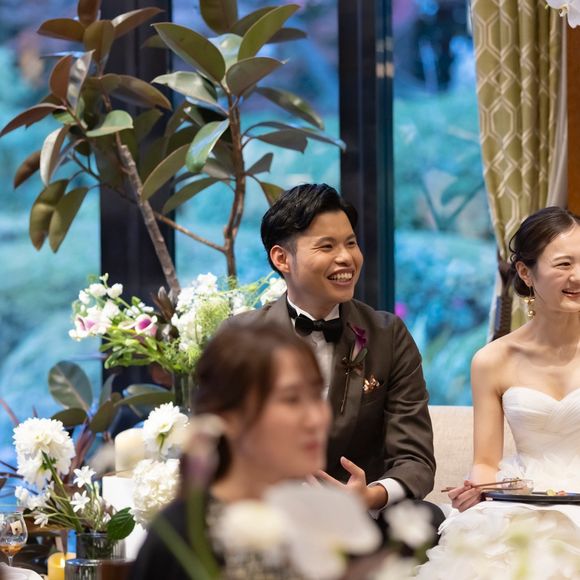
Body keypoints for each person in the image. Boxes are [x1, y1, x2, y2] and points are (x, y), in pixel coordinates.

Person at [235, 183, 437, 514]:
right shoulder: (242, 338)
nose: (346, 258)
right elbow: (220, 448)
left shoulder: (387, 335)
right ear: (282, 258)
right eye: (327, 246)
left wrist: (370, 495)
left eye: (351, 243)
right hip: (271, 515)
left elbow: (414, 459)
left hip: (364, 517)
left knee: (425, 518)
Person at [418, 206, 580, 578]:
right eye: (564, 264)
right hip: (521, 497)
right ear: (525, 272)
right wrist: (477, 487)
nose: (578, 276)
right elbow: (486, 461)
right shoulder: (492, 360)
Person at [130, 321, 332, 579]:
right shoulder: (183, 538)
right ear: (229, 417)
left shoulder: (317, 525)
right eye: (291, 399)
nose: (316, 419)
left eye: (316, 395)